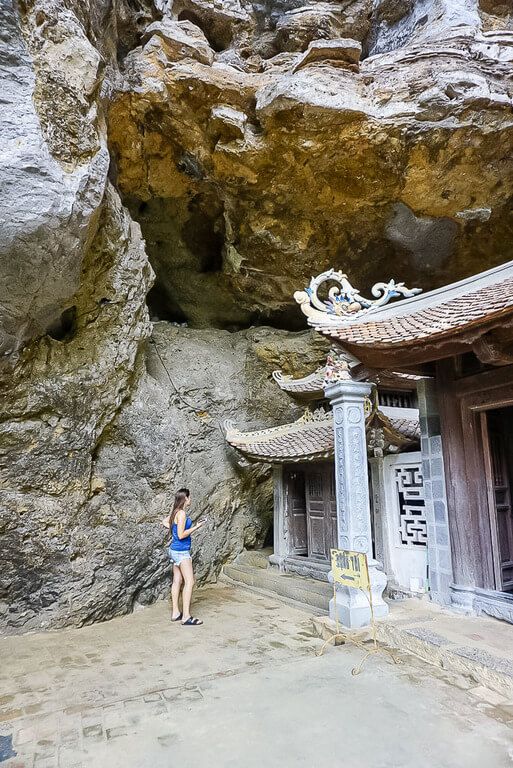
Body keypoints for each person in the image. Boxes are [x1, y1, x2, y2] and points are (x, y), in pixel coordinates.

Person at [163, 488, 206, 626]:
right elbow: (181, 535)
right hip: (181, 552)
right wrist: (197, 527)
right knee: (190, 581)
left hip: (173, 550)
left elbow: (165, 522)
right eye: (190, 497)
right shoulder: (181, 514)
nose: (190, 499)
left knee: (177, 580)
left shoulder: (175, 512)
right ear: (185, 498)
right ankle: (186, 616)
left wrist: (174, 531)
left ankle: (176, 613)